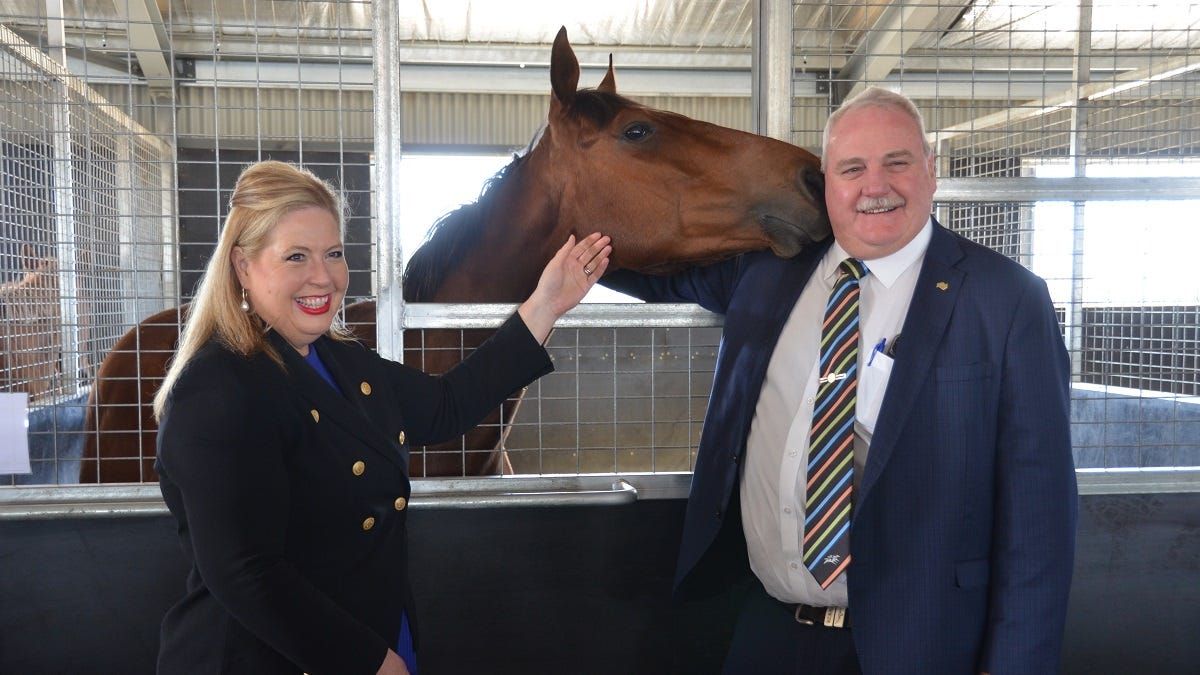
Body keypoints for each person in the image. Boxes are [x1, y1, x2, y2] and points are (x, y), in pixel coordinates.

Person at [603, 87, 1077, 674]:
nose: (875, 186)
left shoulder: (1005, 300)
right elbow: (644, 266)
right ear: (827, 183)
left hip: (918, 645)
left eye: (897, 163)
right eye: (853, 168)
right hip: (763, 629)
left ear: (930, 172)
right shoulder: (766, 271)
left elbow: (1040, 517)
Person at [151, 160, 611, 675]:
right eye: (296, 257)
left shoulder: (341, 360)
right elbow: (244, 572)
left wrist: (546, 304)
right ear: (242, 267)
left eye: (334, 254)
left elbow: (445, 406)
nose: (322, 277)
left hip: (374, 631)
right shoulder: (218, 388)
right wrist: (368, 661)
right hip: (280, 657)